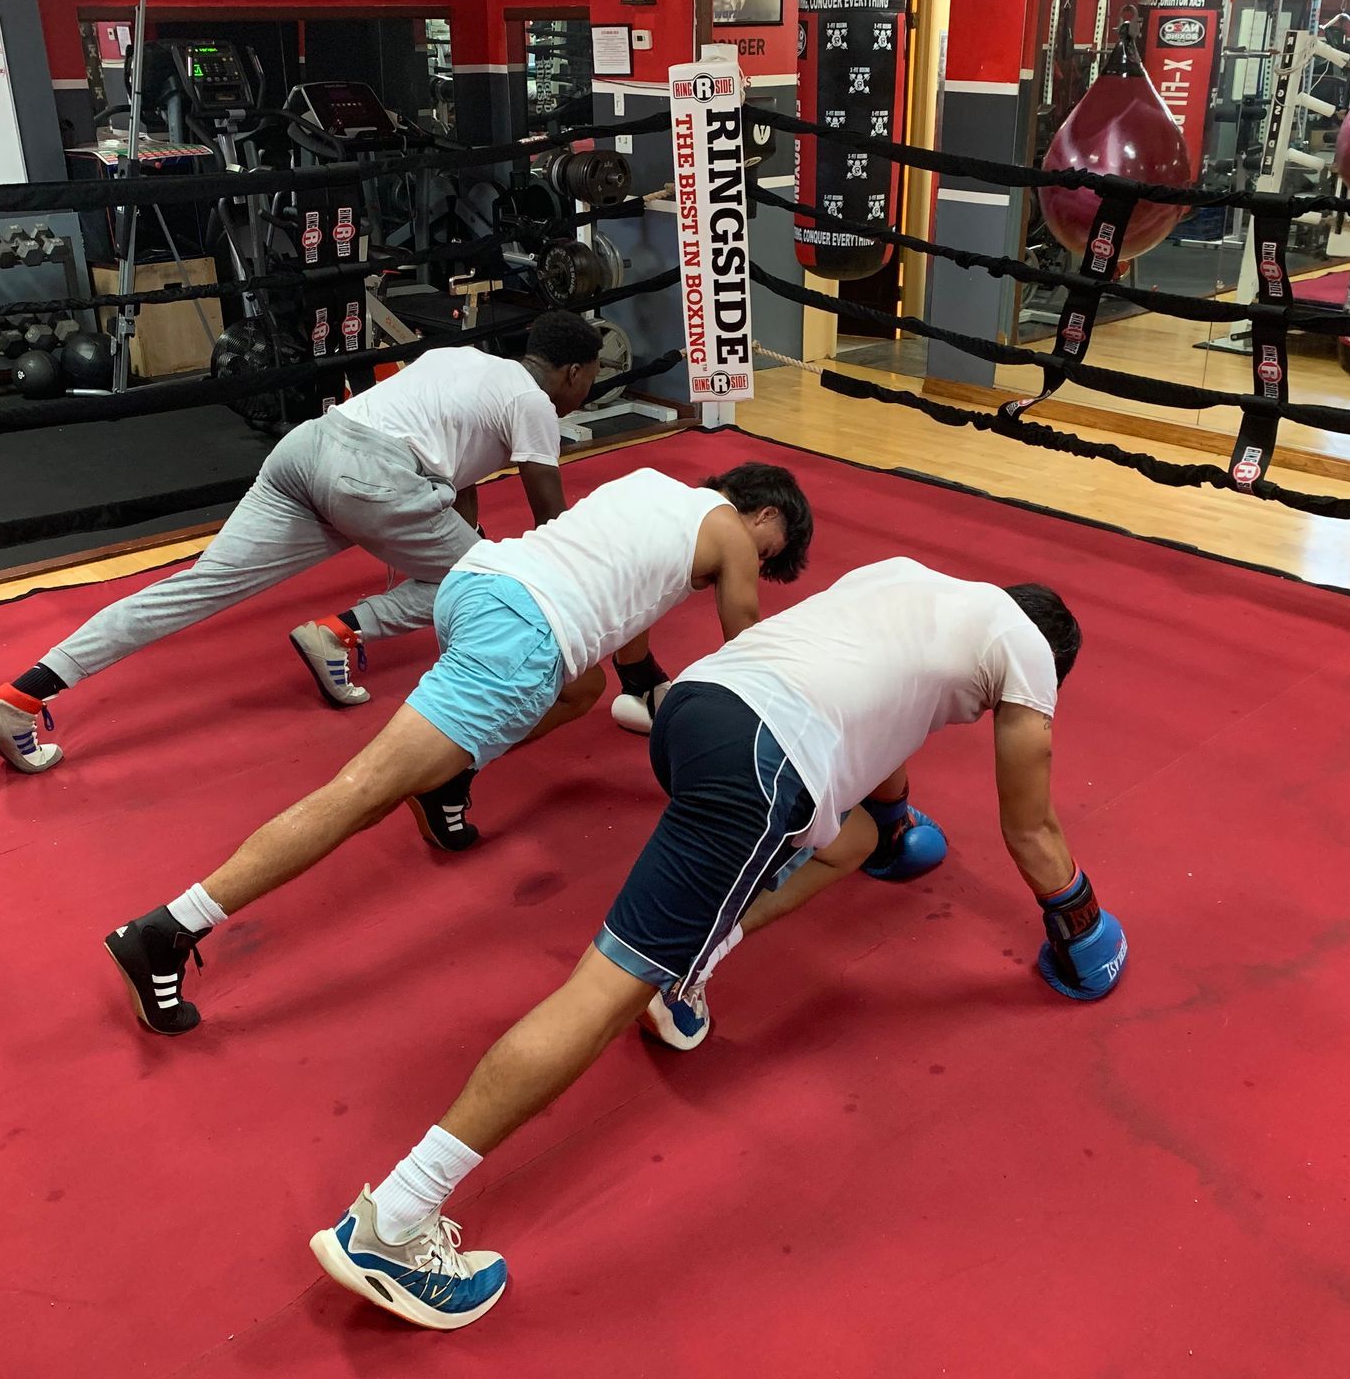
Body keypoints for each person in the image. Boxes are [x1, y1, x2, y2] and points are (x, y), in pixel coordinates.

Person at [306, 557, 1125, 1331]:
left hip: (698, 709)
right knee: (603, 991)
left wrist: (894, 818)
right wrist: (1079, 921)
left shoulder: (912, 584)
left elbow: (877, 715)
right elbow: (1031, 827)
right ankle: (394, 1222)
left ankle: (684, 971)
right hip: (765, 764)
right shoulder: (1027, 651)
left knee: (850, 839)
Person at [104, 462, 814, 1037]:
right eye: (766, 551)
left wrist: (647, 682)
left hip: (477, 585)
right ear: (761, 513)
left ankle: (449, 779)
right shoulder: (729, 533)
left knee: (582, 688)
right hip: (520, 636)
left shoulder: (652, 488)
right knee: (363, 792)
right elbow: (745, 642)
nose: (756, 560)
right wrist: (805, 734)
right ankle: (168, 929)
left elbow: (629, 610)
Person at [0, 312, 604, 775]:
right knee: (483, 582)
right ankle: (341, 631)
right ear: (573, 371)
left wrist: (469, 537)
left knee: (193, 588)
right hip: (374, 482)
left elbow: (456, 469)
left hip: (309, 448)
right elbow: (550, 515)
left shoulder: (458, 359)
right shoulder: (533, 404)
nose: (587, 393)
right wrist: (584, 584)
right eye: (592, 378)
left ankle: (19, 695)